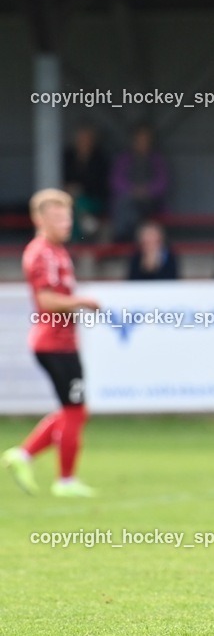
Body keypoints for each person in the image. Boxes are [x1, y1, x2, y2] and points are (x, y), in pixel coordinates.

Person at [2, 189, 101, 497]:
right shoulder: (41, 253)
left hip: (61, 343)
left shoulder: (57, 251)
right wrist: (80, 301)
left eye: (68, 216)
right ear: (40, 219)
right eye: (58, 216)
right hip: (53, 343)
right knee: (74, 410)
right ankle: (65, 480)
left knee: (73, 409)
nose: (66, 222)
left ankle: (24, 454)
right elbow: (46, 300)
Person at [110, 123, 170, 242]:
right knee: (126, 205)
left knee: (127, 206)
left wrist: (147, 190)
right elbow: (115, 181)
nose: (142, 142)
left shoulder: (157, 159)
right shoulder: (124, 159)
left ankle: (122, 236)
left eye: (145, 139)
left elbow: (163, 183)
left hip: (151, 202)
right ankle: (131, 237)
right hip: (129, 199)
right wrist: (132, 190)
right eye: (139, 139)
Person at [62, 122, 111, 242]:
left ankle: (77, 243)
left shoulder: (100, 158)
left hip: (95, 199)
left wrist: (80, 188)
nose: (83, 141)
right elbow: (62, 178)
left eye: (87, 138)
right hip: (71, 198)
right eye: (81, 138)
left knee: (76, 205)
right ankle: (87, 226)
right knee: (71, 207)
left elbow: (101, 185)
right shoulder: (68, 156)